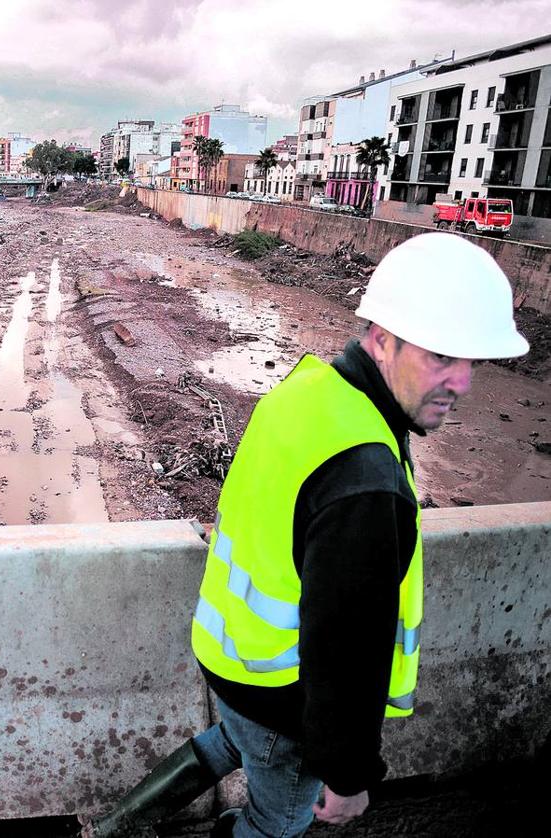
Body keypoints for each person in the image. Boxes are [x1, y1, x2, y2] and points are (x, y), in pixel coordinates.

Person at [80, 233, 529, 838]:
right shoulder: (364, 478)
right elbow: (347, 653)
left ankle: (111, 827)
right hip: (284, 699)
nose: (463, 383)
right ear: (381, 338)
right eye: (440, 357)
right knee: (276, 821)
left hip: (231, 657)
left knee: (231, 741)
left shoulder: (311, 391)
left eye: (471, 362)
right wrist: (348, 779)